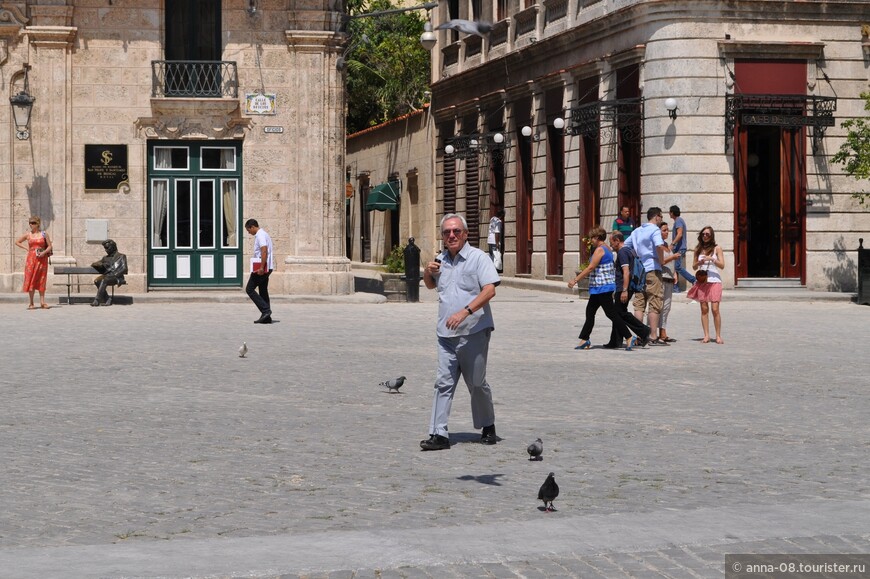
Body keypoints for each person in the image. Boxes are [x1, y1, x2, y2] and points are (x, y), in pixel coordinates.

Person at [420, 213, 500, 451]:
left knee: (476, 382)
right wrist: (427, 272)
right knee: (443, 383)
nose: (451, 235)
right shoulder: (440, 259)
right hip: (445, 334)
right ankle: (439, 434)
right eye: (447, 232)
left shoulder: (478, 258)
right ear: (442, 236)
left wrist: (465, 311)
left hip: (474, 331)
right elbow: (432, 285)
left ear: (465, 234)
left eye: (456, 231)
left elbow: (489, 291)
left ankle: (488, 425)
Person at [568, 227, 636, 351]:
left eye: (592, 238)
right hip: (599, 287)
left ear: (597, 238)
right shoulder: (608, 248)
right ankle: (584, 339)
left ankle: (629, 337)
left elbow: (590, 267)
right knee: (590, 312)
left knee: (611, 314)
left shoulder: (600, 250)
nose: (590, 241)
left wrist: (575, 280)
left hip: (602, 287)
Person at [624, 207, 667, 342]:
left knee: (639, 303)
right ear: (656, 217)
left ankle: (639, 334)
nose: (661, 219)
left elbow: (626, 245)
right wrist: (661, 261)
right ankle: (653, 335)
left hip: (639, 270)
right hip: (652, 268)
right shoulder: (654, 230)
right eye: (661, 216)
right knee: (655, 301)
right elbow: (659, 246)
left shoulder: (637, 230)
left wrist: (636, 256)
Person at [603, 231, 651, 349]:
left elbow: (626, 272)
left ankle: (644, 331)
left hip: (624, 287)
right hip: (625, 287)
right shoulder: (628, 250)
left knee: (620, 314)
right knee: (618, 314)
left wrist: (624, 290)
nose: (611, 245)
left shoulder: (623, 252)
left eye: (612, 243)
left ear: (617, 241)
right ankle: (615, 341)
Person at [686, 226, 725, 344]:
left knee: (715, 309)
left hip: (715, 281)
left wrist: (712, 259)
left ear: (712, 235)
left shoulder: (717, 248)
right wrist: (699, 262)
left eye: (707, 234)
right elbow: (693, 266)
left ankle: (718, 335)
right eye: (703, 234)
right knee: (704, 309)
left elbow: (722, 265)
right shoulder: (698, 249)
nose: (705, 236)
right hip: (702, 282)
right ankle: (706, 335)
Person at [15, 216, 53, 310]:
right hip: (31, 259)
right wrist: (26, 248)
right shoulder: (28, 235)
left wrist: (43, 253)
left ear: (38, 224)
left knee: (41, 279)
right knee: (31, 278)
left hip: (42, 259)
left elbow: (49, 246)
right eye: (30, 223)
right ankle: (31, 303)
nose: (31, 224)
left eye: (33, 223)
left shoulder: (44, 234)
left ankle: (42, 302)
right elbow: (17, 242)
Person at [657, 222, 683, 343]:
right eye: (664, 230)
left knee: (666, 307)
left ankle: (663, 332)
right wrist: (672, 258)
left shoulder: (667, 245)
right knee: (657, 306)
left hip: (669, 279)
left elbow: (670, 263)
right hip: (661, 278)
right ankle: (651, 331)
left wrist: (674, 273)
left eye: (667, 230)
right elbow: (660, 262)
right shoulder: (658, 246)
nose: (667, 232)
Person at [245, 218, 274, 324]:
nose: (249, 232)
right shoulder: (263, 234)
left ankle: (266, 311)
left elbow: (264, 250)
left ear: (252, 227)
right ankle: (266, 318)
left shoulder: (260, 235)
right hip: (268, 267)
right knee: (263, 290)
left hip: (262, 268)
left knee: (249, 289)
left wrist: (261, 267)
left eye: (248, 230)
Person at [91, 239, 128, 307]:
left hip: (117, 277)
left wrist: (115, 274)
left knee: (104, 280)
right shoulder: (105, 258)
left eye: (107, 248)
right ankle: (108, 299)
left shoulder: (121, 256)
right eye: (105, 248)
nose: (106, 250)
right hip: (107, 276)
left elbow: (124, 269)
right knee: (97, 281)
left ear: (113, 247)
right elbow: (94, 264)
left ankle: (97, 300)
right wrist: (100, 264)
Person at [669, 205, 695, 292]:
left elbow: (679, 234)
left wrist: (672, 244)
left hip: (679, 248)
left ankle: (693, 280)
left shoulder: (679, 221)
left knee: (678, 267)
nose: (669, 213)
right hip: (677, 248)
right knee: (675, 267)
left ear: (672, 212)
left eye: (669, 212)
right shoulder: (678, 221)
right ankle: (675, 287)